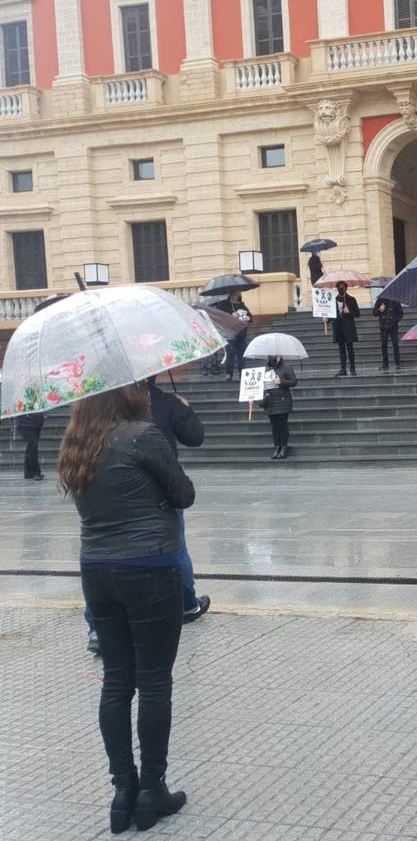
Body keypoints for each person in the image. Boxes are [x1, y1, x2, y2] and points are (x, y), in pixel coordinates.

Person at [59, 384, 194, 834]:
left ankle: (123, 791)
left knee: (117, 682)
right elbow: (184, 494)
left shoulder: (77, 442)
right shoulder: (143, 435)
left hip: (97, 570)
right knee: (154, 682)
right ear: (126, 396)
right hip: (150, 567)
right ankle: (152, 790)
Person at [85, 376, 210, 653]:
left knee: (104, 556)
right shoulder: (156, 415)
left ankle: (96, 628)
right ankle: (187, 604)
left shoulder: (89, 424)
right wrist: (184, 409)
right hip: (155, 510)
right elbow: (184, 488)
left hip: (100, 529)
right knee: (176, 551)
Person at [262, 354, 298, 460]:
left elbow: (294, 381)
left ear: (280, 357)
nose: (275, 358)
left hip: (283, 401)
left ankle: (284, 447)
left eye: (277, 356)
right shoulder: (266, 369)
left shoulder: (286, 367)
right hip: (270, 401)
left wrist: (281, 382)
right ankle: (276, 447)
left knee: (282, 425)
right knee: (274, 426)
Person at [212, 292, 251, 382]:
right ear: (230, 294)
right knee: (230, 354)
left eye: (237, 294)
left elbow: (250, 316)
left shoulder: (242, 305)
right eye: (234, 294)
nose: (235, 296)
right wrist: (230, 315)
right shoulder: (223, 305)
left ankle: (242, 373)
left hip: (241, 333)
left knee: (241, 354)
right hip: (230, 334)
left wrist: (248, 318)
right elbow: (220, 317)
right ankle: (229, 373)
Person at [332, 280, 360, 377]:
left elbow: (357, 314)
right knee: (341, 350)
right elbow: (332, 315)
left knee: (350, 349)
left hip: (348, 328)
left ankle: (352, 368)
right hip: (339, 328)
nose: (341, 289)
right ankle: (343, 369)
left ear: (346, 288)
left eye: (342, 287)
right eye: (339, 288)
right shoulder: (333, 300)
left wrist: (349, 312)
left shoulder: (351, 299)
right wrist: (326, 318)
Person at [372, 297, 403, 371]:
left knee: (395, 344)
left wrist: (395, 320)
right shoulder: (380, 301)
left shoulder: (395, 301)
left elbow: (400, 313)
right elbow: (374, 313)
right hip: (383, 326)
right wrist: (379, 310)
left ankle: (397, 362)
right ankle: (385, 363)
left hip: (393, 326)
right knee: (384, 344)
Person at [16, 412, 44, 480]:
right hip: (25, 423)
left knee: (31, 446)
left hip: (37, 422)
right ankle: (35, 472)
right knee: (33, 444)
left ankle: (28, 472)